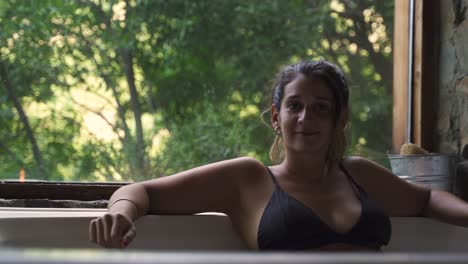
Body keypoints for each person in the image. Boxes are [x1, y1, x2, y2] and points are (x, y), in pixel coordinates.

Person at [89, 60, 468, 251]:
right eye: (295, 106)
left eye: (321, 107)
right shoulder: (247, 179)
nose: (307, 118)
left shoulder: (358, 175)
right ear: (276, 116)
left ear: (340, 118)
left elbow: (426, 199)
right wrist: (119, 214)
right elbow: (142, 191)